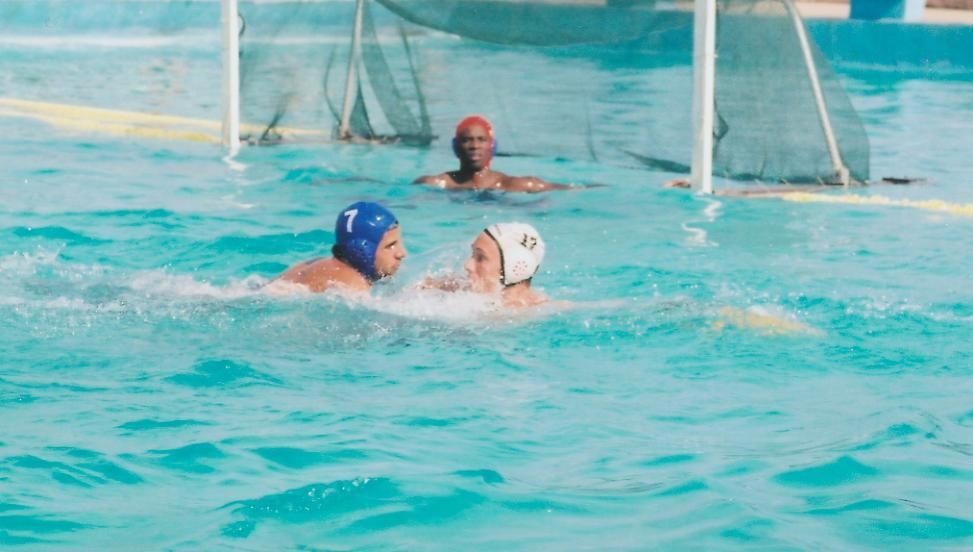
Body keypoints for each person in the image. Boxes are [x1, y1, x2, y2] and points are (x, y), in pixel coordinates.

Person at [414, 115, 577, 193]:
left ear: (492, 146)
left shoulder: (514, 185)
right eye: (467, 140)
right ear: (456, 146)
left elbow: (571, 189)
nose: (474, 146)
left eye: (481, 140)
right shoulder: (434, 183)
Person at [274, 201, 406, 293]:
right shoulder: (351, 282)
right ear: (363, 251)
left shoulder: (319, 264)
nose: (401, 253)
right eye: (390, 245)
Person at [423, 222, 548, 308]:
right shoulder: (460, 287)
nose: (467, 265)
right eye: (473, 254)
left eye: (480, 258)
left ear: (515, 268)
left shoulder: (520, 314)